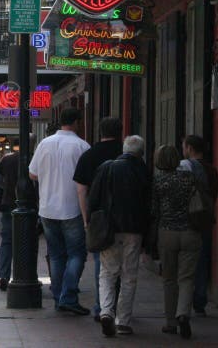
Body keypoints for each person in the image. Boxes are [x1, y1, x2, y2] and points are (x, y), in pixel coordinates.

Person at [29, 107, 91, 315]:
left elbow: (32, 174)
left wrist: (49, 176)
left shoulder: (44, 144)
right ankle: (68, 295)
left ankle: (59, 296)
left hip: (47, 207)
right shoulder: (82, 146)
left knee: (55, 255)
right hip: (72, 207)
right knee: (77, 253)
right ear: (75, 122)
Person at [88, 135, 151, 337]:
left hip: (109, 228)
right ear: (141, 153)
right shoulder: (143, 171)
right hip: (134, 230)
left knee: (107, 272)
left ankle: (106, 311)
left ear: (124, 150)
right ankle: (123, 321)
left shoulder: (107, 167)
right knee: (129, 275)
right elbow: (149, 204)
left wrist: (90, 222)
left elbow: (94, 198)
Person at [74, 117, 124, 322]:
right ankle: (120, 308)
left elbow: (81, 189)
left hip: (99, 217)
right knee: (126, 267)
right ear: (120, 132)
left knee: (102, 265)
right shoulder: (126, 154)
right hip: (126, 217)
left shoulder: (89, 155)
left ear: (100, 132)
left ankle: (103, 307)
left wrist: (86, 218)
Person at [153, 144, 201, 339]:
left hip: (167, 232)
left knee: (169, 279)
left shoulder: (158, 181)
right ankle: (183, 314)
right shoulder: (188, 177)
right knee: (187, 278)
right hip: (190, 231)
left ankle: (170, 322)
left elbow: (154, 210)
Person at [181, 134, 218, 316]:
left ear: (189, 148)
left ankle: (184, 302)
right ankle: (200, 301)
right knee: (202, 261)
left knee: (186, 264)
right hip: (205, 219)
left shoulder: (185, 168)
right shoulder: (212, 170)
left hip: (188, 220)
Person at [0, 144, 20, 291]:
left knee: (7, 242)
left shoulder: (6, 159)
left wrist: (8, 188)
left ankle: (4, 275)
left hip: (8, 204)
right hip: (29, 205)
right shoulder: (31, 159)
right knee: (27, 243)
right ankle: (23, 275)